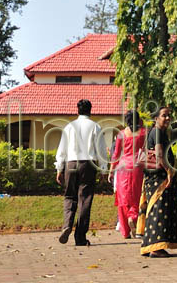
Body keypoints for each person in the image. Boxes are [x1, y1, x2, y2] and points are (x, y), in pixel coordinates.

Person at [54, 98, 108, 247]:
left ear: (77, 110)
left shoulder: (69, 127)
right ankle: (80, 237)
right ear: (90, 110)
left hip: (71, 163)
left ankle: (67, 225)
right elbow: (101, 150)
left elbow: (62, 149)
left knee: (69, 196)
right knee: (85, 199)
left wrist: (59, 169)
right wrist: (104, 169)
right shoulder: (95, 127)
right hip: (88, 165)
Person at [139, 104, 177, 258]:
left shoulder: (157, 131)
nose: (168, 118)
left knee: (155, 209)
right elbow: (159, 154)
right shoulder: (157, 132)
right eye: (164, 115)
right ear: (156, 118)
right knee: (159, 209)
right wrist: (169, 171)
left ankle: (149, 246)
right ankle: (156, 248)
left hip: (155, 176)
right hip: (159, 177)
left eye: (169, 115)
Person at [108, 110, 145, 240]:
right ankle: (133, 217)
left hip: (123, 168)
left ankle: (125, 232)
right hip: (137, 167)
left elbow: (116, 154)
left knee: (123, 199)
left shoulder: (121, 134)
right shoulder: (144, 133)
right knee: (136, 195)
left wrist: (111, 171)